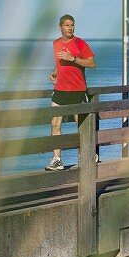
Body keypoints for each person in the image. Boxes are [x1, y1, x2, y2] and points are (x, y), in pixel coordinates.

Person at [46, 14, 96, 170]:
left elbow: (92, 63)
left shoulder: (80, 43)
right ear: (60, 27)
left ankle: (89, 154)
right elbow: (61, 64)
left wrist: (73, 58)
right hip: (60, 89)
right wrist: (55, 72)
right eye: (67, 25)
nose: (70, 28)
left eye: (72, 25)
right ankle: (57, 159)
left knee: (80, 125)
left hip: (77, 90)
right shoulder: (55, 44)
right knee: (55, 124)